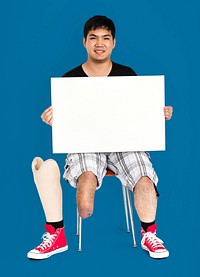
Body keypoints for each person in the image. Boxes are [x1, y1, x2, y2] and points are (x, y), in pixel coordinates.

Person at [27, 15, 173, 260]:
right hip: (86, 145)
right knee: (84, 205)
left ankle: (150, 234)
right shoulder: (70, 80)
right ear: (84, 42)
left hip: (125, 144)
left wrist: (159, 114)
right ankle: (58, 234)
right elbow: (67, 123)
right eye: (93, 38)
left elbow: (140, 114)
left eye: (105, 38)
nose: (99, 43)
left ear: (113, 43)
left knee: (145, 179)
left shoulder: (128, 74)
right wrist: (52, 119)